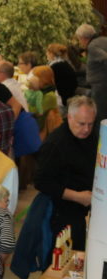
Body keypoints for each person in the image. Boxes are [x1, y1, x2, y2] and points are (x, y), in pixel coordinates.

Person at [36, 96, 97, 251]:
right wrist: (78, 196)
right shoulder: (55, 144)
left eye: (90, 124)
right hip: (65, 213)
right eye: (81, 124)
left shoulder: (94, 135)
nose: (86, 129)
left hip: (91, 209)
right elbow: (42, 182)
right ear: (69, 117)